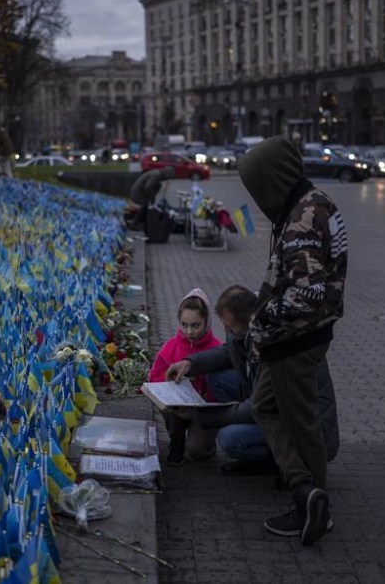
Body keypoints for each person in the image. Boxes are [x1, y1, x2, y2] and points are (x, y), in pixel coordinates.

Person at [236, 134, 348, 546]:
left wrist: (261, 319)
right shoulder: (310, 203)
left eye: (258, 185)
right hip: (296, 336)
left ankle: (315, 508)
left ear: (274, 178)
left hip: (295, 339)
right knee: (266, 408)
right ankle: (304, 488)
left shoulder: (303, 218)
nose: (257, 195)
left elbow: (306, 292)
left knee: (302, 425)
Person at [165, 285, 339, 477]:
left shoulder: (273, 340)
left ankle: (285, 463)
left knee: (229, 438)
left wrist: (202, 416)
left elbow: (256, 406)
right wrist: (190, 363)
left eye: (230, 327)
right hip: (276, 408)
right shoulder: (253, 323)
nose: (226, 331)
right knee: (216, 377)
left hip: (303, 429)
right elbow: (229, 351)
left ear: (248, 321)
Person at [148, 288, 222, 466]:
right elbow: (155, 376)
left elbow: (220, 388)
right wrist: (169, 386)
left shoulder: (217, 348)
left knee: (197, 452)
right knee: (171, 407)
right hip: (178, 408)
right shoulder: (172, 345)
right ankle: (177, 439)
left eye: (195, 325)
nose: (189, 331)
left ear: (207, 321)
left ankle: (206, 445)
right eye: (185, 325)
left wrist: (203, 396)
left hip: (202, 410)